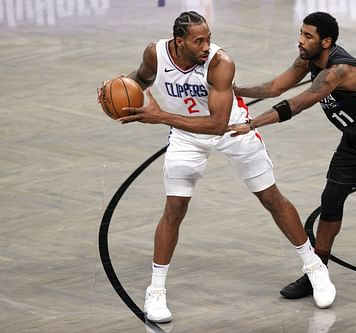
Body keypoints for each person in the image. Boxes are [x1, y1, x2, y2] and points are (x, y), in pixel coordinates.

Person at [97, 11, 335, 323]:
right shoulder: (154, 53)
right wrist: (118, 87)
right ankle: (155, 290)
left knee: (271, 198)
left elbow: (217, 124)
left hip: (231, 130)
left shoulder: (221, 63)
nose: (207, 46)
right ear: (179, 42)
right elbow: (140, 79)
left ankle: (315, 267)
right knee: (175, 208)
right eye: (199, 41)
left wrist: (160, 116)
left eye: (208, 38)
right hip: (185, 135)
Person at [228, 11, 356, 316]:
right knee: (330, 201)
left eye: (308, 36)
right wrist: (233, 90)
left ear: (326, 42)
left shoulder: (339, 71)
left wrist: (252, 123)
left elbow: (298, 103)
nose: (300, 40)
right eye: (301, 33)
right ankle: (318, 272)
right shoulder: (308, 61)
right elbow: (274, 88)